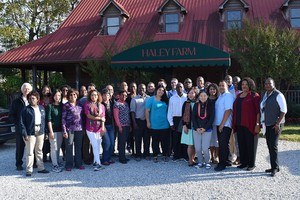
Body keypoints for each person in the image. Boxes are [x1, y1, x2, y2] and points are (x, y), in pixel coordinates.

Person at [260, 78, 287, 177]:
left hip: (276, 124)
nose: (267, 85)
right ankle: (274, 166)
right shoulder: (265, 95)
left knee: (273, 145)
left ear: (273, 84)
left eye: (269, 83)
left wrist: (277, 123)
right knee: (269, 145)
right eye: (266, 83)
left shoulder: (278, 95)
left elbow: (283, 110)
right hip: (267, 124)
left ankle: (275, 168)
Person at [232, 78, 260, 171]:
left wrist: (257, 124)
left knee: (250, 145)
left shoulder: (254, 95)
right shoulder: (239, 96)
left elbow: (258, 111)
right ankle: (244, 163)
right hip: (239, 124)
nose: (244, 86)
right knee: (242, 144)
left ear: (250, 85)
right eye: (243, 84)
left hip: (250, 124)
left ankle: (251, 164)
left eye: (246, 84)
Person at [19, 91, 49, 176]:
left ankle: (41, 168)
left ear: (37, 99)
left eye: (33, 98)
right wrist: (24, 133)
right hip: (30, 132)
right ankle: (29, 170)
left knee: (39, 150)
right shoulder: (25, 109)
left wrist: (45, 132)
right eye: (30, 98)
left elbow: (44, 121)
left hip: (40, 131)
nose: (31, 100)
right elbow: (21, 123)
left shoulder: (41, 108)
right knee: (30, 152)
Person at [9, 82, 32, 171]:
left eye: (28, 89)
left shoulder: (33, 100)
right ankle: (19, 163)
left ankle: (32, 163)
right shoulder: (16, 102)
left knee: (31, 146)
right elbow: (11, 115)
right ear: (22, 90)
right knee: (20, 146)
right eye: (25, 89)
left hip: (30, 127)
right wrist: (18, 123)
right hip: (20, 127)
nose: (26, 90)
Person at [214, 80, 235, 171]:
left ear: (227, 86)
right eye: (220, 85)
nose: (221, 87)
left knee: (222, 144)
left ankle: (221, 164)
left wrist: (222, 124)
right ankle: (227, 160)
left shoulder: (228, 96)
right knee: (224, 144)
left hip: (225, 124)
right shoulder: (220, 96)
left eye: (223, 85)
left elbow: (228, 110)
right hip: (219, 124)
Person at [62, 88, 85, 171]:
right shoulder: (66, 105)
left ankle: (78, 164)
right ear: (68, 96)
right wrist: (64, 130)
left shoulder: (80, 104)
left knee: (78, 147)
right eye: (71, 95)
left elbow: (83, 117)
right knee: (69, 147)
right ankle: (69, 164)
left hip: (79, 129)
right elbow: (63, 119)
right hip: (69, 129)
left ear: (77, 95)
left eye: (74, 94)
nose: (73, 96)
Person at [145, 85, 170, 162]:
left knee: (164, 141)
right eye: (159, 90)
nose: (161, 91)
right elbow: (147, 111)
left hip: (165, 124)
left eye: (163, 90)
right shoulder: (150, 99)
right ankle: (155, 155)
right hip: (154, 124)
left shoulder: (166, 100)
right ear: (156, 90)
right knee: (155, 141)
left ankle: (165, 154)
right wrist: (148, 122)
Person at [192, 91, 215, 169]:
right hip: (197, 129)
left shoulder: (210, 105)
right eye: (201, 96)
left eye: (204, 95)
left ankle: (207, 162)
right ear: (199, 97)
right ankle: (200, 162)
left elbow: (211, 118)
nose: (203, 97)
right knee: (198, 147)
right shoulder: (196, 105)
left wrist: (205, 128)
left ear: (207, 96)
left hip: (207, 129)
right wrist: (196, 128)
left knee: (205, 147)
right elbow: (193, 117)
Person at [84, 89, 106, 171]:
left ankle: (95, 161)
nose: (94, 96)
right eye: (92, 95)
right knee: (95, 145)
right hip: (90, 128)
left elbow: (103, 118)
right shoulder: (87, 105)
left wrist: (103, 127)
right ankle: (98, 164)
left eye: (96, 95)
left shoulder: (101, 106)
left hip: (99, 128)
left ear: (98, 96)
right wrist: (99, 118)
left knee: (97, 146)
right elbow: (89, 116)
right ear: (90, 96)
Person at [167, 83, 187, 161]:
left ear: (183, 88)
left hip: (185, 119)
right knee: (176, 138)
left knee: (184, 137)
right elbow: (170, 111)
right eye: (178, 87)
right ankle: (176, 155)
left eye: (181, 87)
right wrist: (171, 123)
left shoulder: (186, 97)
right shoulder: (172, 98)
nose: (179, 88)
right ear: (176, 88)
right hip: (175, 119)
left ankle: (185, 155)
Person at [130, 84, 150, 161]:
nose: (142, 89)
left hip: (147, 121)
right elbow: (132, 112)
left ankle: (146, 154)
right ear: (138, 89)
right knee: (138, 139)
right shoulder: (134, 99)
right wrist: (134, 123)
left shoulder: (149, 98)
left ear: (146, 89)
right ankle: (138, 155)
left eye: (143, 88)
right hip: (138, 121)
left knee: (147, 139)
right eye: (140, 88)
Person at [181, 87, 198, 166]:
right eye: (189, 93)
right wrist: (184, 125)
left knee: (194, 144)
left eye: (193, 93)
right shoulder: (186, 103)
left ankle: (193, 158)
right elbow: (183, 115)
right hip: (188, 126)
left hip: (196, 127)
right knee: (190, 144)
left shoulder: (198, 103)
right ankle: (190, 160)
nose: (191, 95)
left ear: (195, 94)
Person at [79, 83, 96, 165]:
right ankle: (86, 158)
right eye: (89, 89)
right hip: (86, 124)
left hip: (96, 126)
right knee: (86, 142)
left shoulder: (97, 100)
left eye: (92, 89)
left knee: (94, 142)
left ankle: (93, 157)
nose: (91, 90)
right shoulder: (82, 100)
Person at [47, 89, 63, 173]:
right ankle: (55, 165)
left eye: (59, 95)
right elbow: (49, 120)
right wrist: (51, 132)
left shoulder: (61, 106)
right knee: (54, 147)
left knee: (58, 147)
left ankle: (57, 161)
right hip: (53, 130)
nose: (57, 97)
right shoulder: (50, 106)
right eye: (56, 95)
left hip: (60, 129)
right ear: (53, 96)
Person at [114, 90, 131, 164]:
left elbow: (128, 115)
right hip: (121, 126)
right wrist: (119, 126)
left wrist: (129, 125)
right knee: (122, 142)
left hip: (127, 125)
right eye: (122, 95)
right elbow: (116, 116)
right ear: (119, 95)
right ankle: (121, 158)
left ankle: (123, 156)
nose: (124, 97)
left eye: (125, 95)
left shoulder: (126, 103)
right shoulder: (117, 104)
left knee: (124, 142)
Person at [101, 88, 115, 165]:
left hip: (111, 126)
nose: (106, 96)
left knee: (112, 143)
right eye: (104, 95)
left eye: (107, 95)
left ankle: (109, 158)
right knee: (107, 142)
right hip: (104, 126)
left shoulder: (111, 103)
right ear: (102, 96)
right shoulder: (100, 104)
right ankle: (104, 159)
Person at [207, 83, 220, 164]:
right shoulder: (206, 99)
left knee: (217, 140)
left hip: (217, 122)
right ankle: (211, 156)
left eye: (214, 89)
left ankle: (216, 156)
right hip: (208, 122)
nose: (212, 91)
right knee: (210, 141)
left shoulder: (219, 99)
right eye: (211, 89)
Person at [39, 85, 52, 162]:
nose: (45, 91)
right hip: (42, 121)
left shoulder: (51, 99)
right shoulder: (39, 99)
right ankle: (43, 156)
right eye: (44, 90)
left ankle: (51, 155)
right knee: (43, 140)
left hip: (50, 121)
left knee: (51, 139)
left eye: (47, 90)